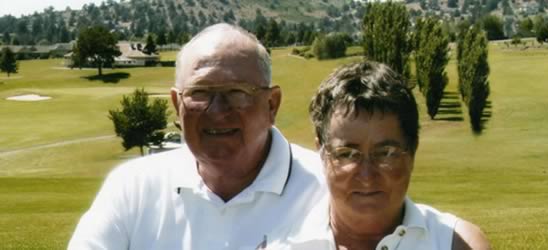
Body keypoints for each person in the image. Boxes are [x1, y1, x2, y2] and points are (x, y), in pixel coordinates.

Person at [68, 23, 326, 249]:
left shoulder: (328, 189)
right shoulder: (132, 187)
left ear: (272, 105)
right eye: (199, 93)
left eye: (237, 92)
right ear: (176, 104)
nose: (217, 110)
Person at [304, 61, 491, 250]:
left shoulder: (457, 244)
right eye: (347, 154)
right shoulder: (280, 239)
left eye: (385, 153)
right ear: (321, 152)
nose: (367, 176)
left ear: (412, 151)